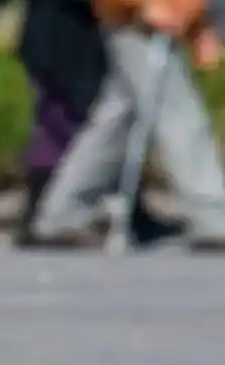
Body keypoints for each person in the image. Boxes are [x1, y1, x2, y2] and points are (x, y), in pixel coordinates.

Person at [30, 0, 225, 252]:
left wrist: (198, 24)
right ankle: (213, 218)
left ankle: (62, 215)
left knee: (117, 122)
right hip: (139, 21)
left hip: (139, 19)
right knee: (180, 119)